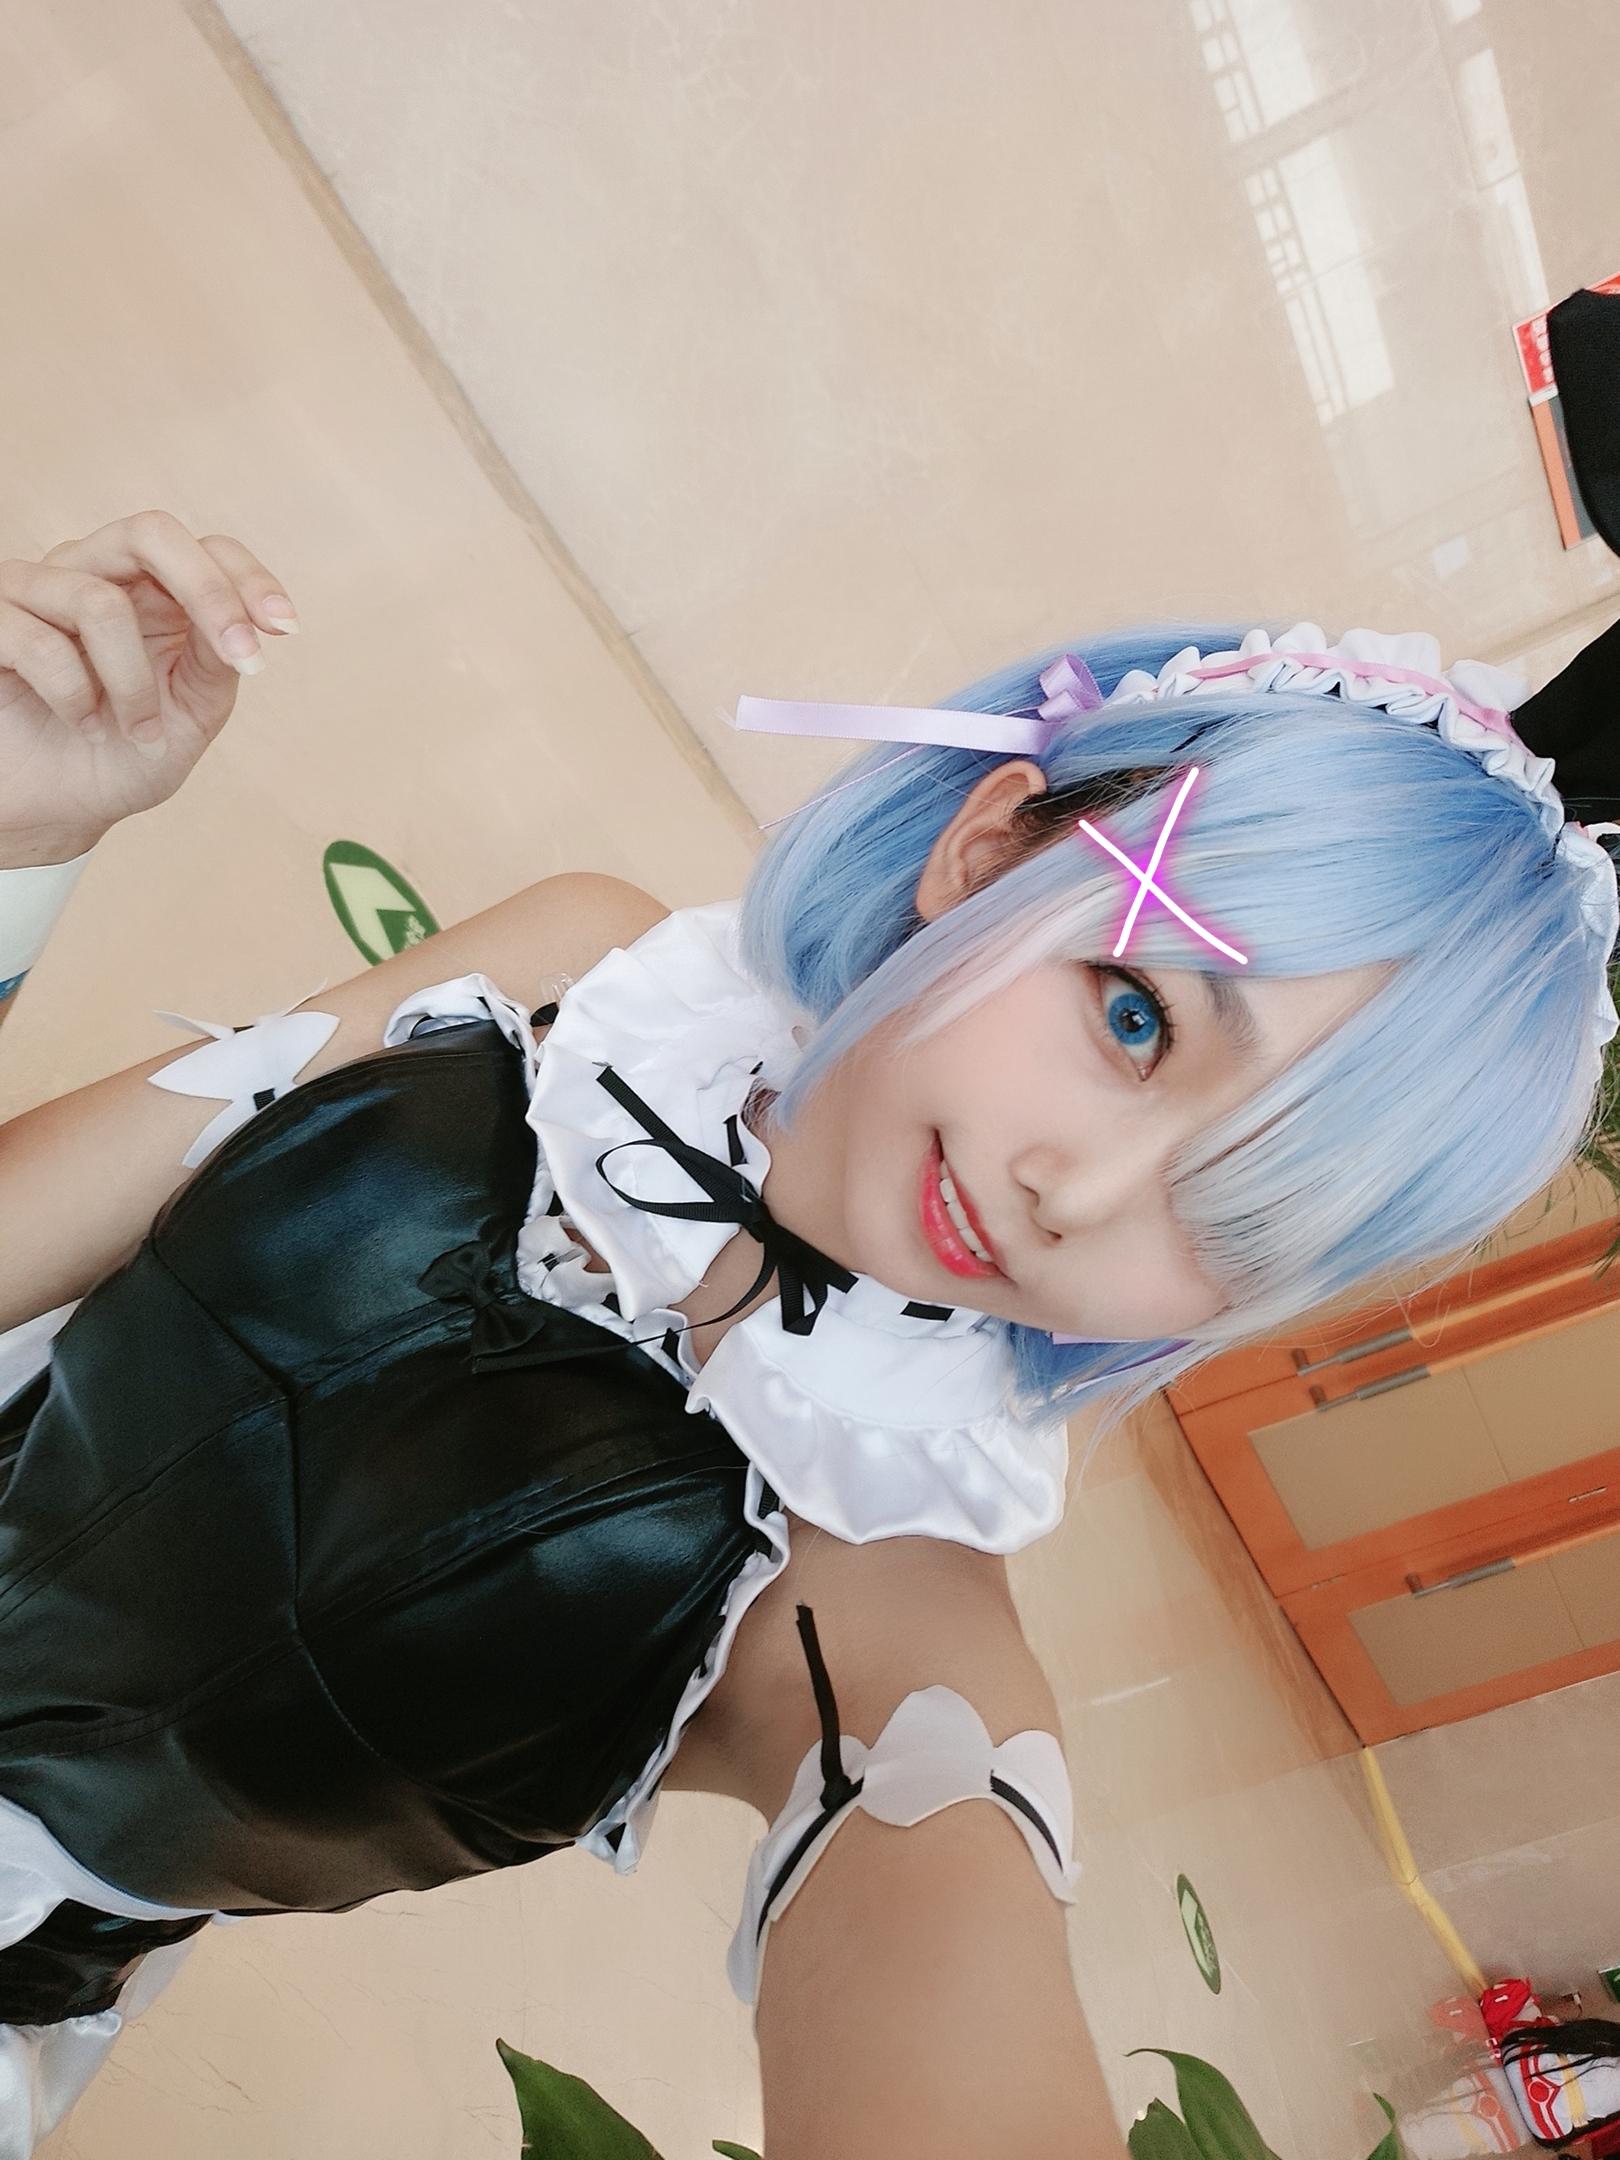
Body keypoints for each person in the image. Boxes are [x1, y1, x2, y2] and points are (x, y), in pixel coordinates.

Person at [0, 429, 1618, 2154]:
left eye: (1241, 1209)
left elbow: (943, 1930)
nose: (1077, 1195)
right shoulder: (586, 968)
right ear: (989, 851)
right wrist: (27, 836)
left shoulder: (883, 1599)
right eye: (1136, 1018)